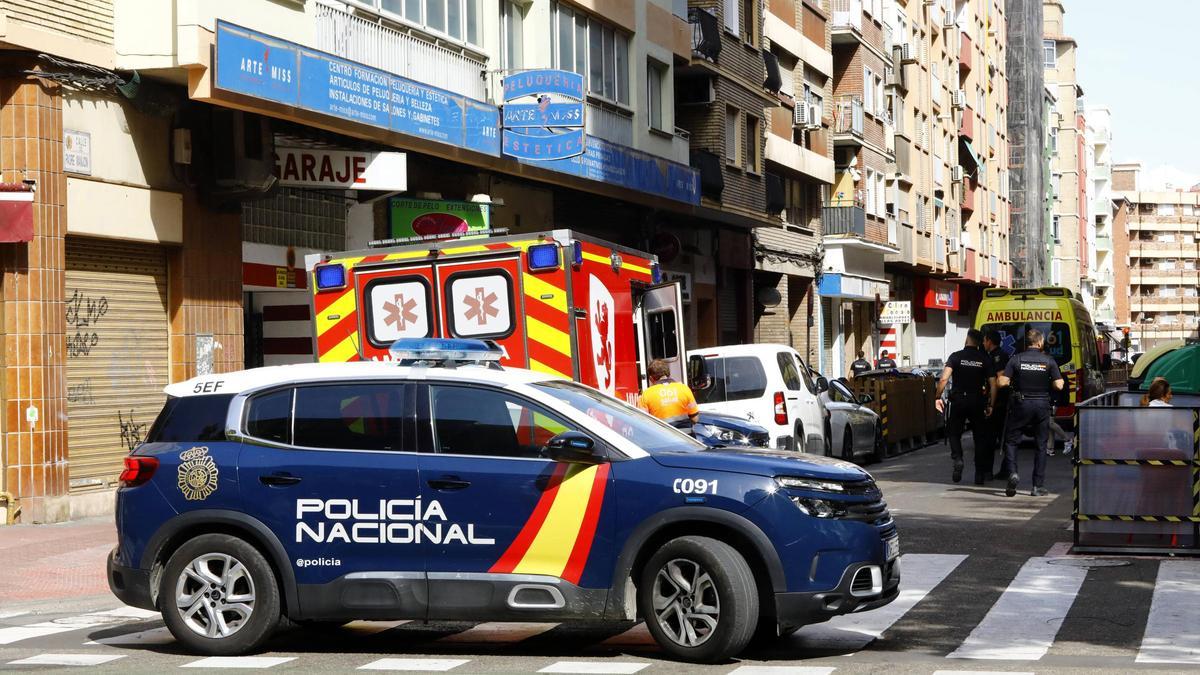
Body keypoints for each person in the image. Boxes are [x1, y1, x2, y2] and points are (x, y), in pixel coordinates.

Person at [997, 328, 1065, 497]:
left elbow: (1002, 382)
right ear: (1040, 342)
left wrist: (1008, 381)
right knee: (1041, 445)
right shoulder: (1048, 361)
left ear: (1027, 343)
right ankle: (1037, 486)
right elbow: (1059, 385)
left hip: (1021, 403)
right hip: (1042, 404)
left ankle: (1012, 472)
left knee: (1012, 441)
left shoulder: (1016, 359)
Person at [936, 329, 997, 485]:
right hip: (977, 401)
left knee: (954, 432)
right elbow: (993, 384)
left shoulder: (956, 356)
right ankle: (979, 474)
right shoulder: (985, 359)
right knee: (980, 437)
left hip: (958, 400)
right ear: (979, 342)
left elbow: (943, 379)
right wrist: (991, 404)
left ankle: (958, 458)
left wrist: (937, 397)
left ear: (967, 339)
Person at [983, 330, 1011, 480]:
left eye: (984, 340)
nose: (983, 343)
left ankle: (1003, 470)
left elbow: (1000, 380)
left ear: (989, 341)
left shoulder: (998, 356)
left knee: (994, 438)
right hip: (999, 402)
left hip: (999, 403)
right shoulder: (992, 355)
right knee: (1002, 439)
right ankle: (1003, 470)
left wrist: (991, 401)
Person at [638, 359, 700, 427]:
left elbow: (643, 422)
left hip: (662, 437)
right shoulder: (684, 389)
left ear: (651, 378)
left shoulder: (646, 394)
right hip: (684, 436)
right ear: (668, 374)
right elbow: (695, 419)